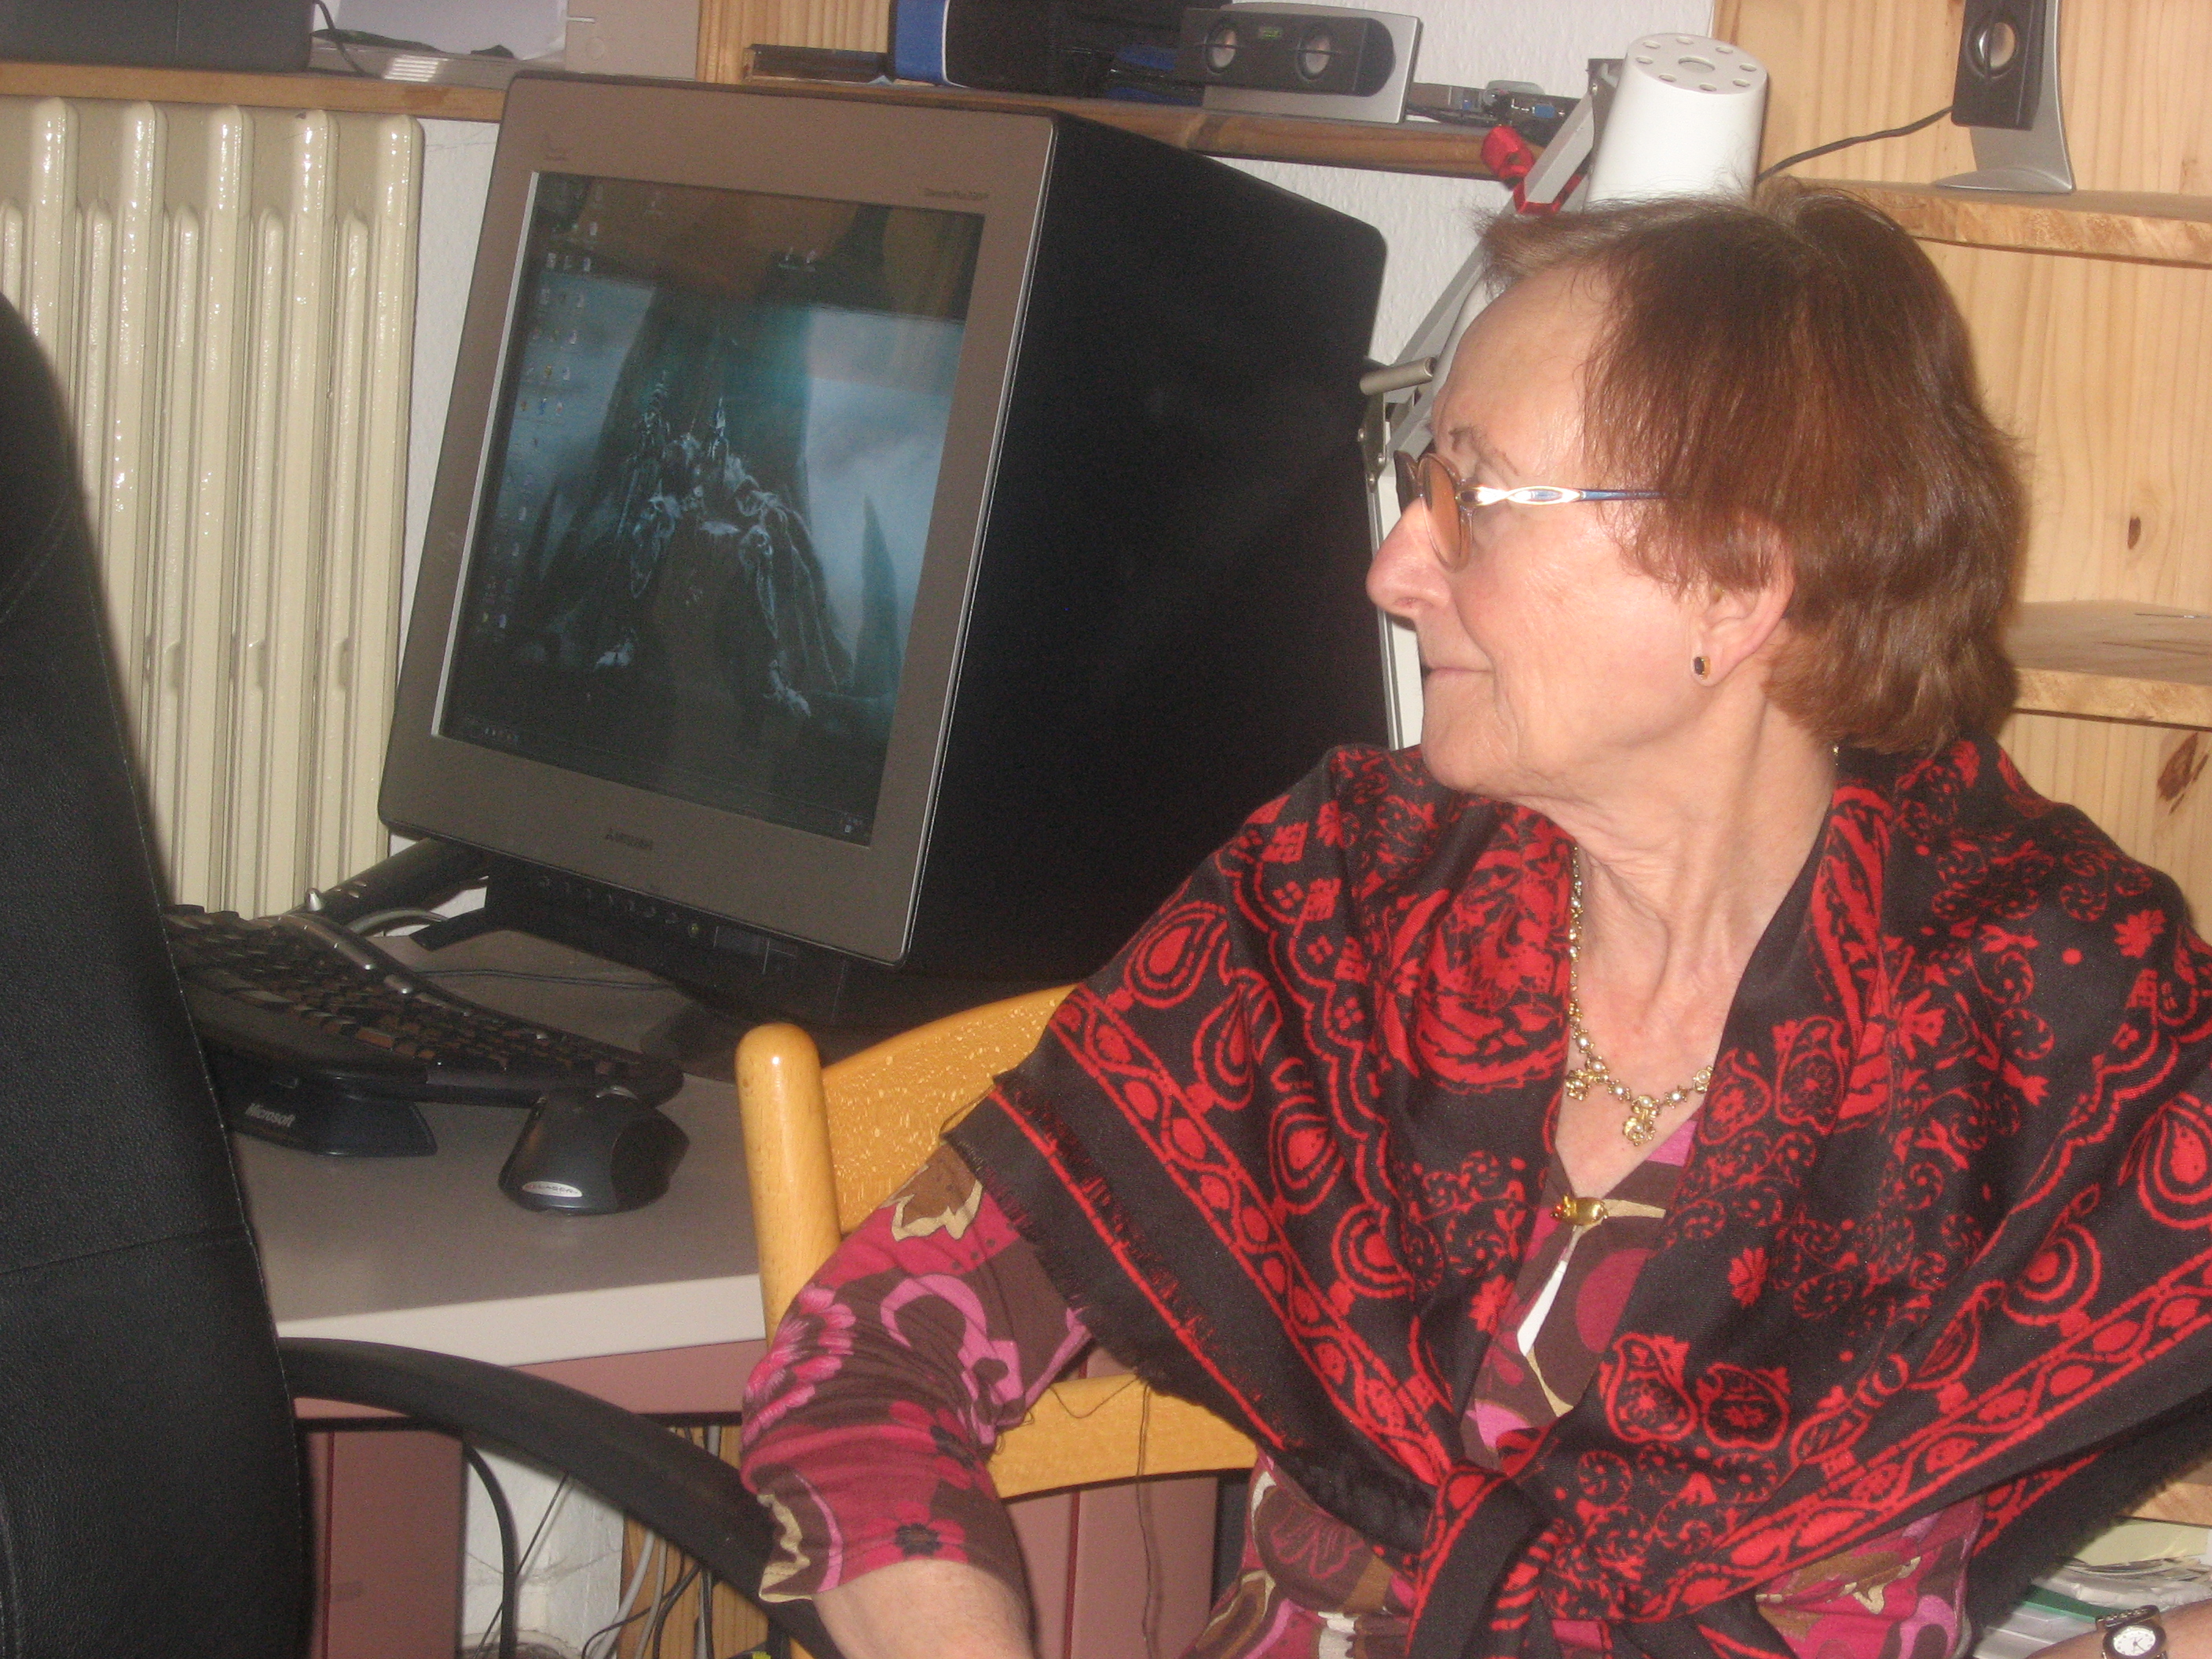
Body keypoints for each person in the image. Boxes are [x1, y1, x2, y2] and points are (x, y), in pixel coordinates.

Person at [739, 185, 2212, 1659]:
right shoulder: (1343, 913)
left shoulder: (2044, 1004)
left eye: (1473, 501)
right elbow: (868, 1358)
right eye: (1420, 484)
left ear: (1738, 583)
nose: (1393, 572)